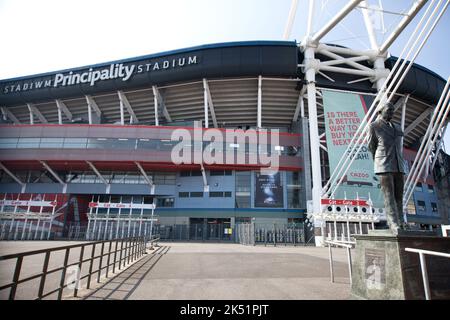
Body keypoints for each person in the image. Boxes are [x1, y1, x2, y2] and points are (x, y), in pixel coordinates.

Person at [368, 102, 406, 234]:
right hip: (384, 164)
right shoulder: (374, 126)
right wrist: (378, 161)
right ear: (380, 111)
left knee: (399, 196)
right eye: (389, 110)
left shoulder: (398, 127)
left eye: (393, 111)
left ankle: (401, 221)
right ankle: (393, 222)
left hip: (399, 165)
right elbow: (371, 146)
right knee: (389, 196)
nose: (392, 113)